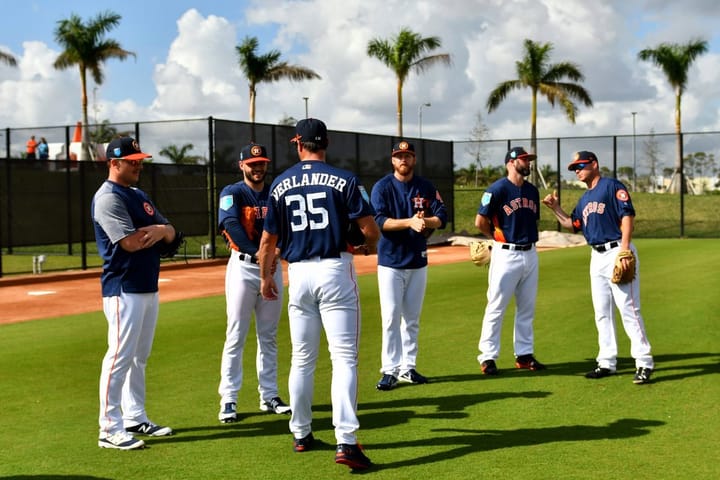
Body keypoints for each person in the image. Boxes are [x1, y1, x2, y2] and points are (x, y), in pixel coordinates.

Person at [257, 118, 379, 471]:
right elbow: (370, 229)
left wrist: (266, 278)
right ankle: (346, 441)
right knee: (343, 359)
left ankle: (301, 432)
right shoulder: (344, 179)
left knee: (302, 358)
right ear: (326, 143)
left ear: (299, 144)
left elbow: (267, 242)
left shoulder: (279, 184)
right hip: (334, 269)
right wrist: (367, 245)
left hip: (299, 274)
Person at [91, 136, 183, 450]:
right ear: (114, 163)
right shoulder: (108, 198)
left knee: (139, 358)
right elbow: (130, 242)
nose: (138, 165)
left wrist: (160, 231)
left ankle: (135, 416)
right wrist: (161, 231)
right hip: (123, 288)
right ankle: (109, 428)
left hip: (146, 285)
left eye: (139, 159)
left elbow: (171, 232)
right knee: (119, 357)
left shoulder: (137, 194)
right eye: (132, 161)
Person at [541, 151, 654, 384]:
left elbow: (627, 216)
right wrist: (555, 208)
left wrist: (624, 250)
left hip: (616, 251)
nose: (577, 171)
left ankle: (644, 362)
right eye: (574, 168)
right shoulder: (584, 198)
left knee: (629, 309)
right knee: (602, 312)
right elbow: (572, 225)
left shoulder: (612, 186)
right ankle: (607, 361)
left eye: (580, 166)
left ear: (594, 164)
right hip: (596, 256)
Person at [216, 143, 290, 423]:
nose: (257, 168)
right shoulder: (232, 192)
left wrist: (277, 251)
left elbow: (287, 225)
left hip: (273, 268)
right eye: (252, 163)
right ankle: (229, 399)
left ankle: (269, 395)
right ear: (241, 165)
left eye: (261, 163)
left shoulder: (276, 193)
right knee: (236, 334)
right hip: (244, 269)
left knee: (268, 336)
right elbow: (230, 225)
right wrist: (258, 253)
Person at [371, 140, 447, 391]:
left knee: (412, 318)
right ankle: (389, 370)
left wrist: (427, 221)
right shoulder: (382, 187)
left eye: (408, 155)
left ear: (414, 159)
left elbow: (441, 216)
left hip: (418, 260)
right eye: (399, 156)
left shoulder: (425, 186)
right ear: (393, 160)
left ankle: (408, 367)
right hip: (391, 262)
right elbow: (380, 221)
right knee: (391, 317)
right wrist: (409, 222)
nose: (404, 159)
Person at [475, 146, 545, 375]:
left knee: (527, 307)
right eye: (524, 160)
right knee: (496, 305)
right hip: (506, 253)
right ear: (511, 162)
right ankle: (487, 357)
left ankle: (524, 355)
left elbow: (531, 220)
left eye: (528, 159)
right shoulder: (497, 189)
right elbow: (480, 221)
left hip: (530, 253)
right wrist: (494, 239)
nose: (528, 163)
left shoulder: (532, 191)